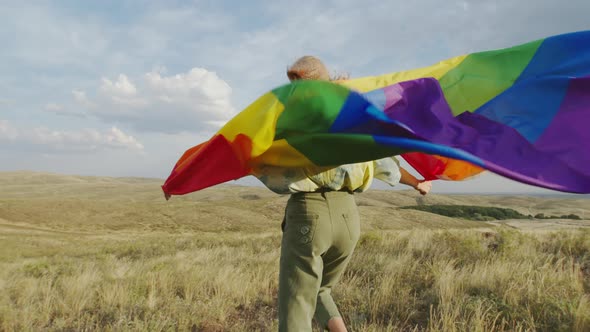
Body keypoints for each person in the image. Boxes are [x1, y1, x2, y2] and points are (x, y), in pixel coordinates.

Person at [253, 56, 432, 331]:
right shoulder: (355, 117)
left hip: (309, 215)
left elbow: (263, 157)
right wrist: (417, 182)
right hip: (349, 218)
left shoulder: (294, 120)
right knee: (321, 290)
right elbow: (385, 163)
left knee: (297, 302)